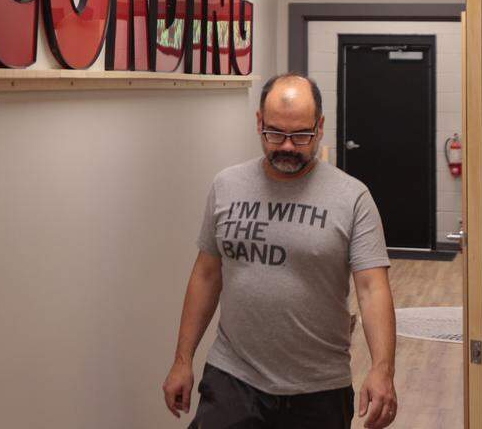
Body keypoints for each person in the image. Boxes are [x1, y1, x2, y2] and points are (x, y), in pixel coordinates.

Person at [162, 73, 399, 429]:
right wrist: (183, 359)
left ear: (320, 127)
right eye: (275, 133)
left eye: (301, 135)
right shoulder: (227, 185)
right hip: (233, 378)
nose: (287, 147)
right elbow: (207, 274)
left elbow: (372, 288)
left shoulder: (353, 198)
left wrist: (383, 370)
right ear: (259, 122)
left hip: (318, 388)